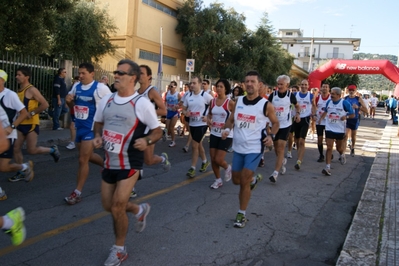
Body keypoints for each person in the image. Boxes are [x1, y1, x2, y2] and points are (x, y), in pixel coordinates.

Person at [93, 59, 162, 266]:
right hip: (110, 162)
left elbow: (157, 130)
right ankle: (138, 210)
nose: (116, 75)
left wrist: (147, 140)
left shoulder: (141, 103)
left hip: (131, 162)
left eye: (121, 73)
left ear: (133, 78)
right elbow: (98, 122)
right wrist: (97, 136)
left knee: (116, 205)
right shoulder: (107, 100)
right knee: (108, 205)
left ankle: (119, 249)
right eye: (115, 72)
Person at [221, 70, 279, 228]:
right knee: (236, 180)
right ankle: (253, 180)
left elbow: (276, 123)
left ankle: (241, 214)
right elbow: (231, 120)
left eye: (253, 81)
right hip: (238, 147)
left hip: (254, 148)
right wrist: (226, 130)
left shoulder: (265, 105)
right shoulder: (238, 101)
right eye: (247, 81)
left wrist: (271, 136)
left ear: (259, 85)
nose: (249, 84)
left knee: (244, 180)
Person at [64, 63, 111, 205]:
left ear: (92, 74)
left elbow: (112, 104)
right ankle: (108, 166)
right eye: (79, 73)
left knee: (82, 160)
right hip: (79, 128)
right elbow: (74, 106)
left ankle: (77, 193)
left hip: (91, 129)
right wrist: (69, 102)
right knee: (88, 156)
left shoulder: (100, 88)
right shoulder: (76, 87)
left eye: (84, 73)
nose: (81, 76)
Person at [11, 67, 60, 182]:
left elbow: (45, 104)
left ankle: (52, 150)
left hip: (31, 124)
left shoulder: (32, 90)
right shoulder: (19, 91)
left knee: (31, 150)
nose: (16, 77)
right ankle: (22, 171)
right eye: (16, 75)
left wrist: (31, 113)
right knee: (16, 148)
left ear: (26, 77)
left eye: (19, 75)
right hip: (20, 123)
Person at [0, 69, 33, 189]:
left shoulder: (10, 95)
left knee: (3, 167)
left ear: (2, 80)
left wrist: (11, 127)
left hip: (7, 136)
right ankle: (24, 167)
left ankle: (23, 167)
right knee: (3, 167)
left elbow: (24, 113)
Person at [267, 75, 300, 183]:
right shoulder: (273, 95)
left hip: (285, 125)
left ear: (287, 85)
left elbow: (297, 106)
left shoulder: (291, 96)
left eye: (282, 84)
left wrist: (297, 114)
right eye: (278, 84)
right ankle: (281, 162)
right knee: (276, 148)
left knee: (281, 148)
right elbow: (267, 108)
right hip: (274, 125)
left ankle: (275, 173)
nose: (279, 86)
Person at [137, 65, 170, 170]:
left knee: (149, 160)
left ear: (149, 77)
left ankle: (163, 159)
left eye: (142, 73)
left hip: (150, 130)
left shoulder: (152, 92)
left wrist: (147, 113)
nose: (139, 75)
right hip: (138, 128)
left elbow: (163, 110)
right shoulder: (136, 93)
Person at [182, 76, 213, 178]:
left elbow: (215, 106)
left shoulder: (206, 96)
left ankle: (192, 168)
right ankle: (205, 161)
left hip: (202, 125)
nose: (192, 85)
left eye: (194, 83)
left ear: (200, 84)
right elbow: (184, 108)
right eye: (191, 83)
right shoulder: (188, 96)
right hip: (192, 124)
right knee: (198, 144)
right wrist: (186, 112)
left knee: (194, 145)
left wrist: (208, 117)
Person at [319, 87, 354, 176]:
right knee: (329, 147)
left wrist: (346, 117)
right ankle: (327, 167)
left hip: (339, 129)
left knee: (339, 148)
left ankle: (342, 154)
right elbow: (326, 111)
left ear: (338, 95)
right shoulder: (329, 102)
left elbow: (353, 114)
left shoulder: (344, 103)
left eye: (333, 94)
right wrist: (321, 119)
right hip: (329, 128)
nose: (331, 95)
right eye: (331, 93)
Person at [207, 79, 234, 189]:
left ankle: (227, 167)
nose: (218, 88)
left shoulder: (230, 103)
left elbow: (233, 119)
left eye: (221, 86)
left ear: (226, 89)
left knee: (219, 159)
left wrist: (227, 131)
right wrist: (208, 120)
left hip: (226, 134)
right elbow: (209, 114)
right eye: (217, 86)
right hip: (214, 133)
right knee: (213, 159)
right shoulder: (212, 101)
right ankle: (218, 180)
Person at [292, 79, 316, 170]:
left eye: (305, 85)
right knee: (297, 140)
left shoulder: (310, 96)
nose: (304, 86)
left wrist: (314, 114)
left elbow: (313, 105)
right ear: (300, 86)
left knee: (302, 140)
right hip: (296, 119)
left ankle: (299, 161)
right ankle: (299, 155)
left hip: (305, 119)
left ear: (308, 86)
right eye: (302, 85)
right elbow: (291, 105)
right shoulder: (295, 95)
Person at [344, 84, 368, 157]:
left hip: (355, 119)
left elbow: (366, 110)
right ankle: (343, 153)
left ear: (355, 91)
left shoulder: (358, 99)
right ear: (348, 90)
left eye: (353, 90)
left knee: (353, 135)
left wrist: (358, 107)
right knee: (345, 135)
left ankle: (353, 148)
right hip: (347, 119)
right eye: (350, 90)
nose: (351, 91)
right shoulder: (345, 98)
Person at [315, 82, 331, 162]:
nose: (324, 88)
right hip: (319, 122)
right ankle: (321, 155)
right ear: (321, 88)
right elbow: (314, 107)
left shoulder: (331, 98)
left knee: (328, 140)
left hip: (329, 122)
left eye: (326, 87)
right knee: (319, 139)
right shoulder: (318, 98)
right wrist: (314, 115)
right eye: (323, 87)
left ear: (329, 89)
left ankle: (329, 152)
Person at [164, 81, 181, 147]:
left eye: (171, 86)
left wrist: (177, 106)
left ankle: (173, 141)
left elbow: (181, 101)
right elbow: (165, 101)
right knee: (167, 127)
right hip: (169, 111)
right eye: (169, 86)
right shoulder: (167, 93)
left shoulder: (177, 94)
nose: (170, 87)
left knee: (171, 127)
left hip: (175, 112)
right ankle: (177, 129)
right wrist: (165, 107)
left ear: (175, 87)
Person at [66, 76, 80, 150]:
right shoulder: (76, 85)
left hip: (86, 112)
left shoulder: (96, 87)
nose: (81, 76)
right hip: (75, 109)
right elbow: (69, 95)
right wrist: (68, 100)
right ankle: (72, 142)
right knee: (72, 125)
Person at [286, 85, 299, 159]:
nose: (293, 92)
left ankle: (295, 144)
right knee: (290, 135)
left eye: (295, 90)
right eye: (292, 90)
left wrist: (298, 114)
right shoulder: (288, 97)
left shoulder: (298, 98)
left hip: (296, 118)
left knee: (296, 136)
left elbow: (299, 107)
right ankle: (289, 151)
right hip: (289, 118)